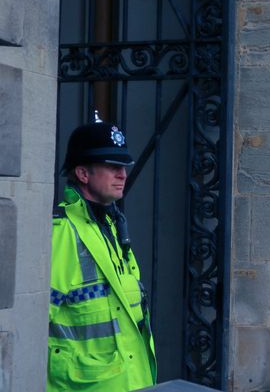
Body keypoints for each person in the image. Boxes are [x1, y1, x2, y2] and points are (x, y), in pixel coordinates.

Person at [48, 118, 157, 391]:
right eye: (112, 167)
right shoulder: (61, 232)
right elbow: (36, 318)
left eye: (123, 167)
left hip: (131, 379)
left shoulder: (112, 223)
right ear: (83, 174)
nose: (123, 174)